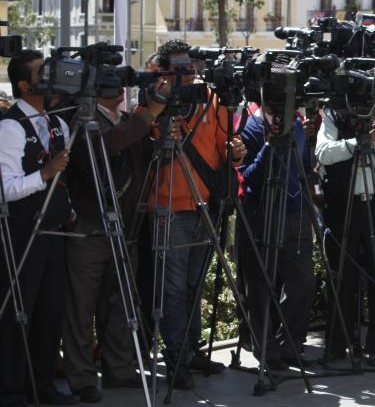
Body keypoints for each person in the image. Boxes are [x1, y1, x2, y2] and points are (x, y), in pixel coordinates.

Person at [142, 39, 246, 389]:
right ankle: (176, 359)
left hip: (205, 205)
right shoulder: (152, 102)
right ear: (161, 70)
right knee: (172, 289)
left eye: (191, 69)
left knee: (193, 284)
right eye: (179, 70)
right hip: (169, 205)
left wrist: (236, 152)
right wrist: (160, 134)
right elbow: (144, 155)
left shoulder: (210, 99)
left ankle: (191, 350)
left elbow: (225, 150)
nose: (187, 76)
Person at [61, 87, 167, 403]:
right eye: (110, 78)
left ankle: (119, 369)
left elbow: (143, 160)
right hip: (91, 225)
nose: (118, 85)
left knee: (122, 304)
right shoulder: (81, 120)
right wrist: (149, 115)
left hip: (126, 226)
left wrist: (161, 136)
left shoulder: (125, 119)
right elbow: (104, 147)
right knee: (81, 306)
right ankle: (82, 378)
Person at [0, 50, 75, 406]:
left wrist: (69, 206)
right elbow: (6, 188)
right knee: (19, 311)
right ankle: (10, 388)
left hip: (55, 230)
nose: (50, 77)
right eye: (41, 73)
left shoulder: (59, 123)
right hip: (21, 233)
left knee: (50, 311)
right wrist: (44, 174)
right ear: (24, 85)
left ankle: (42, 385)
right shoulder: (10, 127)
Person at [316, 97, 375, 365]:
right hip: (344, 206)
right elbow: (323, 153)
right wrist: (359, 142)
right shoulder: (336, 116)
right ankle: (337, 345)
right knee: (342, 277)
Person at [236, 99, 316, 370]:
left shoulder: (296, 125)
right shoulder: (250, 126)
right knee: (260, 286)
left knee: (303, 282)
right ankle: (266, 350)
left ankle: (290, 344)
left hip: (296, 211)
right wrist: (268, 146)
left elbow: (303, 166)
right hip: (261, 212)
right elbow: (247, 177)